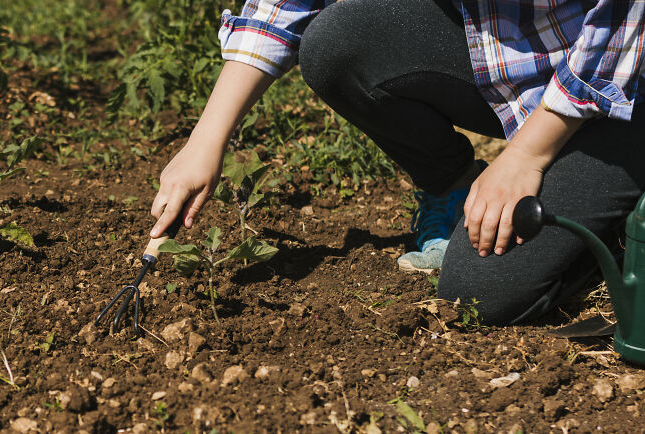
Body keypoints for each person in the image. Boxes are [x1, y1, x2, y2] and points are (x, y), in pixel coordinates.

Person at [149, 0, 645, 325]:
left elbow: (625, 21)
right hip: (520, 61)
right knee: (337, 44)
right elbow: (287, 5)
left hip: (625, 89)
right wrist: (206, 139)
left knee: (481, 295)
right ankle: (454, 187)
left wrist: (527, 155)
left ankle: (618, 227)